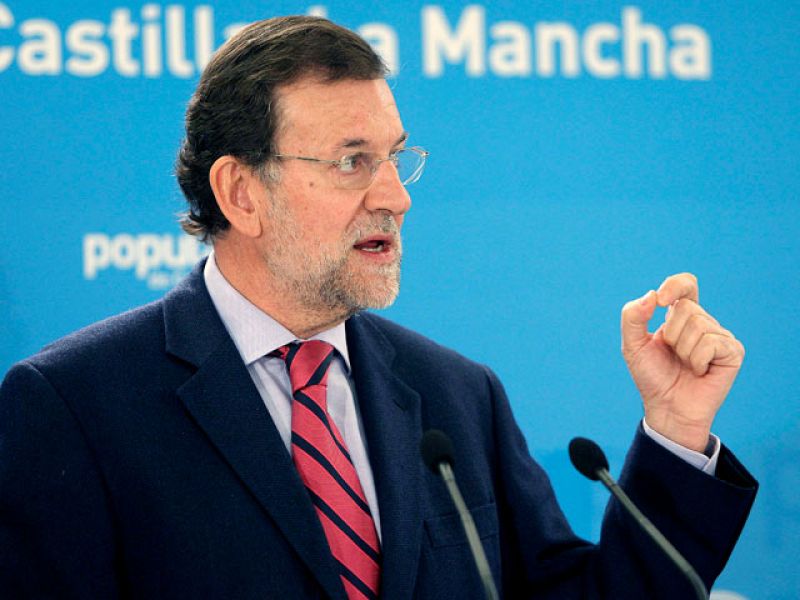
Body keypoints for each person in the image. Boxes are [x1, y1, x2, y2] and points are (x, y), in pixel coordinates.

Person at [0, 15, 756, 600]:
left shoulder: (458, 396)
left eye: (394, 158)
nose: (395, 196)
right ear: (240, 193)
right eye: (351, 162)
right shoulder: (73, 405)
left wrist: (676, 429)